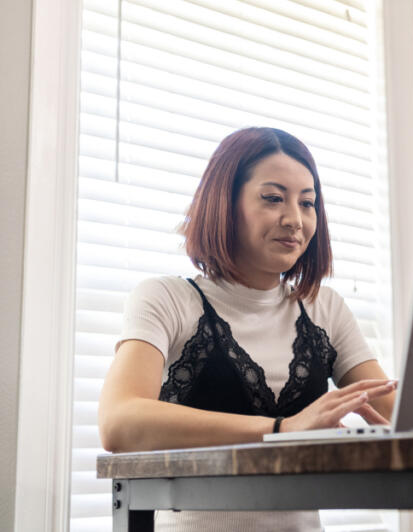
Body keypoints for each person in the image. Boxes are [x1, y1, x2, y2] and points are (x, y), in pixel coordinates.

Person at [98, 127, 397, 531]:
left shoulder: (324, 308)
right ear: (224, 203)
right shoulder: (166, 299)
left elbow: (399, 414)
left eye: (307, 203)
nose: (295, 219)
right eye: (273, 198)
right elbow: (119, 421)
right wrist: (281, 430)